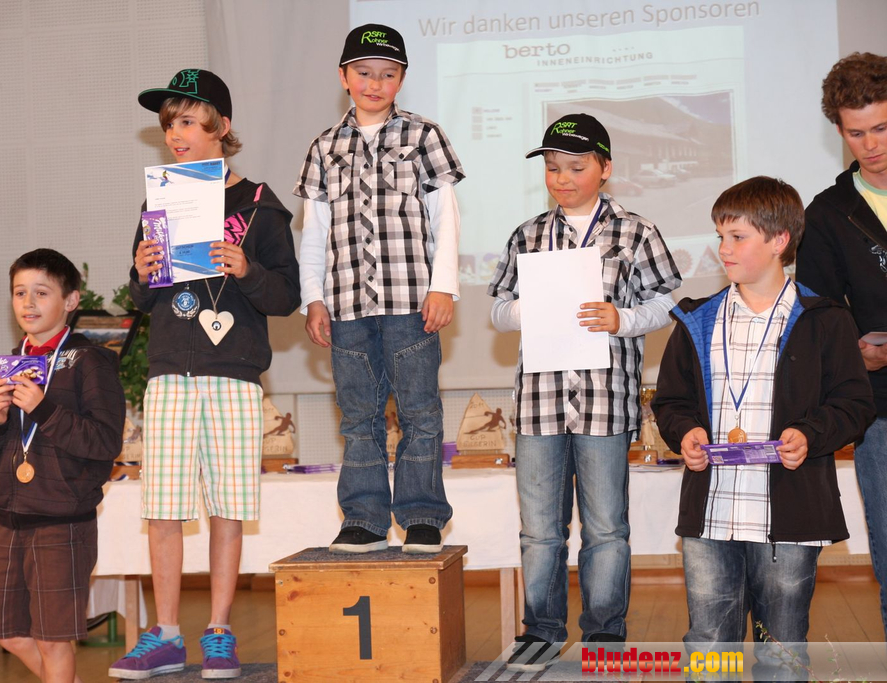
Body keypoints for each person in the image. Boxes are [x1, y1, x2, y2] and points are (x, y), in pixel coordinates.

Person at [108, 69, 300, 680]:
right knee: (164, 508)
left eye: (189, 121)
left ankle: (218, 631)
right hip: (169, 374)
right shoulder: (158, 201)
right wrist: (142, 272)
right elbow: (142, 299)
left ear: (222, 127)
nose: (176, 134)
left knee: (227, 507)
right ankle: (166, 634)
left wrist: (246, 270)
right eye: (170, 123)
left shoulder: (261, 204)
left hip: (233, 375)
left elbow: (286, 296)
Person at [652, 177, 875, 675]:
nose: (723, 249)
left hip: (790, 515)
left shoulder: (825, 319)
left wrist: (810, 434)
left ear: (779, 241)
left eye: (737, 237)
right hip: (712, 513)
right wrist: (685, 431)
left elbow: (854, 403)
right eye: (720, 236)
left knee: (781, 646)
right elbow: (670, 401)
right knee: (710, 645)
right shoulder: (697, 319)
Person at [487, 114, 681, 671]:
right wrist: (527, 310)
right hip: (540, 403)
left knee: (606, 529)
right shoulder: (527, 235)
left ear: (605, 168)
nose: (562, 178)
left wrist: (623, 318)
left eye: (575, 167)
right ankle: (542, 631)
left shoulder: (636, 231)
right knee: (539, 531)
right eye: (553, 168)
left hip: (606, 400)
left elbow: (668, 302)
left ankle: (604, 633)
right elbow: (497, 309)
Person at [294, 24, 464, 554]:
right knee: (358, 416)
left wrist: (443, 286)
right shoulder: (324, 146)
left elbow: (445, 218)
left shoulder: (424, 136)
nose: (375, 83)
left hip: (411, 302)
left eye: (387, 74)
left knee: (420, 412)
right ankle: (364, 518)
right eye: (364, 73)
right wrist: (313, 297)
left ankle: (422, 516)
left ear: (402, 79)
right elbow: (314, 231)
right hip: (346, 306)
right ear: (344, 77)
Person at [0, 249, 126, 683]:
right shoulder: (5, 367)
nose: (28, 303)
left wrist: (44, 410)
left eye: (42, 292)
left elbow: (104, 442)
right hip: (9, 516)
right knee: (7, 633)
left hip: (63, 519)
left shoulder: (91, 362)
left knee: (53, 640)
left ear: (71, 300)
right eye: (19, 292)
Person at [797, 51, 887, 636]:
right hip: (880, 409)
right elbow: (820, 319)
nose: (870, 144)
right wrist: (857, 351)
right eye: (857, 133)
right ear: (838, 131)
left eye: (881, 127)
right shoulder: (828, 214)